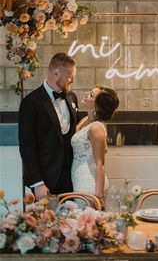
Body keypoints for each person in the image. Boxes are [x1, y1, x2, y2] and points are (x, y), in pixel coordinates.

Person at [19, 53, 79, 200]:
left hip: (71, 177)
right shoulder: (31, 102)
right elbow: (27, 146)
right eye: (70, 76)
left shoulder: (72, 98)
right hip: (46, 180)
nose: (73, 80)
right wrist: (38, 183)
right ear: (56, 73)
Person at [71, 85, 119, 209]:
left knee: (89, 224)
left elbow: (100, 164)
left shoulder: (96, 128)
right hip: (79, 178)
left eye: (91, 95)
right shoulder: (85, 120)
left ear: (97, 106)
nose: (87, 94)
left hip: (90, 183)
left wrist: (98, 195)